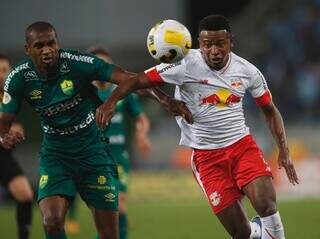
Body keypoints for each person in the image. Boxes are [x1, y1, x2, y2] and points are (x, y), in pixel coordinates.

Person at [96, 15, 299, 239]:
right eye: (207, 44)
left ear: (231, 42)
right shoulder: (183, 65)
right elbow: (134, 81)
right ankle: (257, 232)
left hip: (242, 147)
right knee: (241, 233)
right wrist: (116, 103)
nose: (213, 50)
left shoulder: (248, 71)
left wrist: (285, 151)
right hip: (206, 158)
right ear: (199, 44)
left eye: (220, 43)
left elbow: (270, 111)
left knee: (266, 205)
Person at [0, 22, 191, 239]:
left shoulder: (77, 63)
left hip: (94, 154)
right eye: (39, 45)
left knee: (109, 233)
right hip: (56, 155)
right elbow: (5, 120)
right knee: (51, 221)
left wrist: (164, 99)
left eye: (51, 43)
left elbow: (130, 78)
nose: (47, 50)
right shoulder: (19, 77)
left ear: (58, 43)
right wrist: (4, 135)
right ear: (28, 49)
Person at [66, 47, 151, 239]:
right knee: (107, 211)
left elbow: (141, 118)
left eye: (104, 64)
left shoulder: (122, 92)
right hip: (93, 157)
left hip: (118, 157)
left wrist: (142, 134)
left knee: (118, 205)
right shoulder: (82, 93)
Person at [0, 54, 34, 239]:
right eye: (1, 70)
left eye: (7, 70)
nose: (5, 74)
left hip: (4, 157)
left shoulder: (9, 96)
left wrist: (14, 132)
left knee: (25, 195)